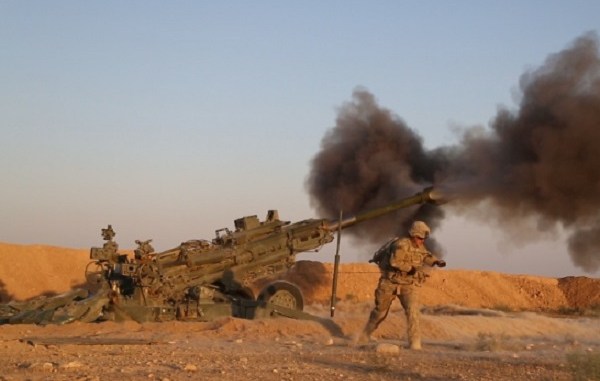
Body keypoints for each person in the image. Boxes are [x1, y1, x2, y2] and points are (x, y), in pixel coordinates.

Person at [359, 220, 446, 350]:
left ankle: (415, 343)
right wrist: (409, 268)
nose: (422, 241)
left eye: (424, 239)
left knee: (413, 311)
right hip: (389, 282)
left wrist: (436, 262)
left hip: (408, 284)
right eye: (420, 238)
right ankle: (364, 336)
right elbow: (395, 262)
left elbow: (425, 256)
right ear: (413, 235)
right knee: (380, 312)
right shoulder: (400, 245)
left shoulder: (419, 246)